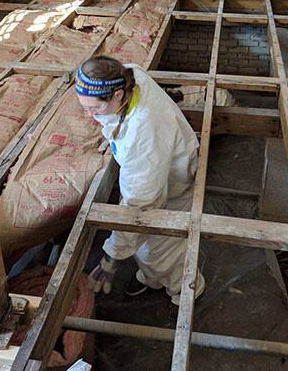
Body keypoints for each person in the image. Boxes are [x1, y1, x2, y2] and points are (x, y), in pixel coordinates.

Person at [75, 56, 205, 305]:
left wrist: (112, 256)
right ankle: (153, 279)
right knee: (148, 248)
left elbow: (139, 203)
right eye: (85, 106)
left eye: (95, 108)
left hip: (172, 179)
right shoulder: (129, 74)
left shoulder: (143, 131)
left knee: (161, 250)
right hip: (161, 161)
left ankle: (185, 291)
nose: (90, 115)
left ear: (117, 95)